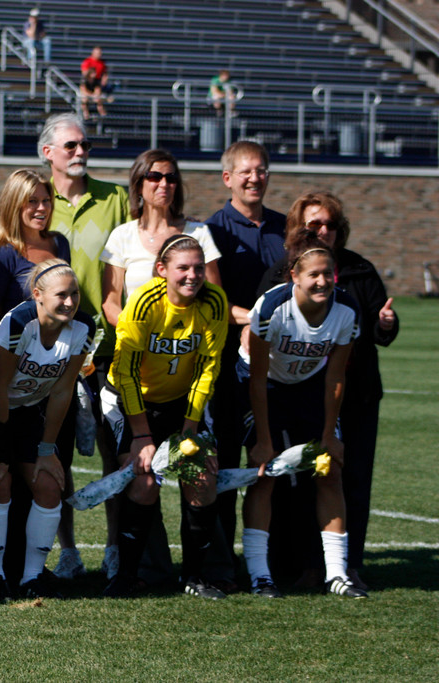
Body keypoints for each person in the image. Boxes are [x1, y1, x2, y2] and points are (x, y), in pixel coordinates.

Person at [256, 191, 398, 591]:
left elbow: (373, 328)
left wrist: (386, 324)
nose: (322, 231)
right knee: (293, 480)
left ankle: (347, 566)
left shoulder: (358, 271)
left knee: (348, 478)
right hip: (298, 394)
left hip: (355, 393)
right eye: (313, 225)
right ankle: (295, 565)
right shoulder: (279, 278)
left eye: (329, 225)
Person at [240, 233, 367, 599]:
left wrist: (329, 434)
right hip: (266, 386)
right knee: (265, 475)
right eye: (313, 274)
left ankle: (337, 575)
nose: (322, 281)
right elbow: (258, 377)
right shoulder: (272, 307)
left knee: (330, 470)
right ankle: (260, 576)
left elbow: (336, 376)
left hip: (310, 386)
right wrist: (264, 440)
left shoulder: (346, 311)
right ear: (294, 275)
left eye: (328, 274)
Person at [101, 235, 228, 599]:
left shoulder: (214, 302)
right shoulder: (144, 302)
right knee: (143, 482)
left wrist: (189, 428)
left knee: (201, 477)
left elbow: (209, 367)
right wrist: (142, 436)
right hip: (134, 401)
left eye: (198, 268)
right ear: (162, 270)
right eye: (183, 268)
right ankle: (125, 576)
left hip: (181, 403)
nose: (193, 276)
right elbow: (124, 372)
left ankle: (193, 577)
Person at [0, 260, 95, 600]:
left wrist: (46, 449)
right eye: (61, 295)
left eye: (74, 294)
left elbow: (62, 390)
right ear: (37, 295)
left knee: (50, 484)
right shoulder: (20, 321)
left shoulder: (83, 326)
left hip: (27, 409)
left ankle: (31, 577)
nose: (70, 302)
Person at [40, 112, 130, 579]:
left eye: (85, 146)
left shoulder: (115, 198)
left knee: (114, 450)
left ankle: (115, 548)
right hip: (52, 348)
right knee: (56, 451)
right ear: (47, 153)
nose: (80, 153)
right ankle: (68, 551)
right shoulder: (36, 202)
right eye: (70, 146)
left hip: (107, 344)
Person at [203, 140, 286, 591]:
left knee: (267, 463)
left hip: (276, 369)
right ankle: (218, 565)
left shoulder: (284, 228)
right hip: (225, 366)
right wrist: (255, 319)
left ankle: (267, 563)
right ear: (228, 178)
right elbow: (214, 300)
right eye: (246, 171)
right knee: (223, 462)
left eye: (262, 170)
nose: (255, 178)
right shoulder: (214, 230)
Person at [101, 149, 222, 329]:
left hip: (186, 344)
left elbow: (215, 298)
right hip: (137, 342)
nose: (164, 183)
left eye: (171, 178)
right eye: (154, 177)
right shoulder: (122, 235)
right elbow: (110, 303)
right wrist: (135, 334)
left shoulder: (198, 232)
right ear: (139, 184)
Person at [0, 169, 69, 331]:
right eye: (32, 201)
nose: (42, 208)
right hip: (18, 347)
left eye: (46, 200)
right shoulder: (3, 254)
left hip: (60, 345)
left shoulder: (60, 243)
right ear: (14, 204)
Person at [79, 46, 109, 119]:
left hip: (96, 83)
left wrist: (104, 80)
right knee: (84, 99)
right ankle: (86, 114)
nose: (99, 54)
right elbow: (84, 73)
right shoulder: (88, 62)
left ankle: (103, 115)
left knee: (99, 99)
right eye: (97, 53)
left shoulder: (102, 63)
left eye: (100, 53)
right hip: (88, 84)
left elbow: (105, 73)